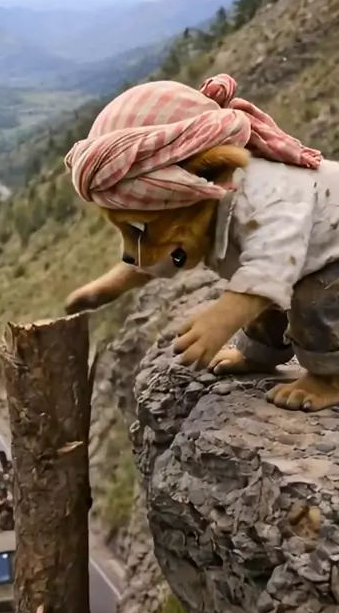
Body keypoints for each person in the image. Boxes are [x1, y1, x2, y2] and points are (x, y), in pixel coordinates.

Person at [63, 74, 339, 414]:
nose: (133, 247)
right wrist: (113, 285)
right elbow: (163, 251)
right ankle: (260, 354)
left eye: (139, 229)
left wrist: (221, 318)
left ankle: (330, 378)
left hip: (332, 256)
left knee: (311, 295)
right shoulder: (206, 204)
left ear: (209, 175)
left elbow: (274, 267)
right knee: (259, 297)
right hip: (306, 259)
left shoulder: (266, 198)